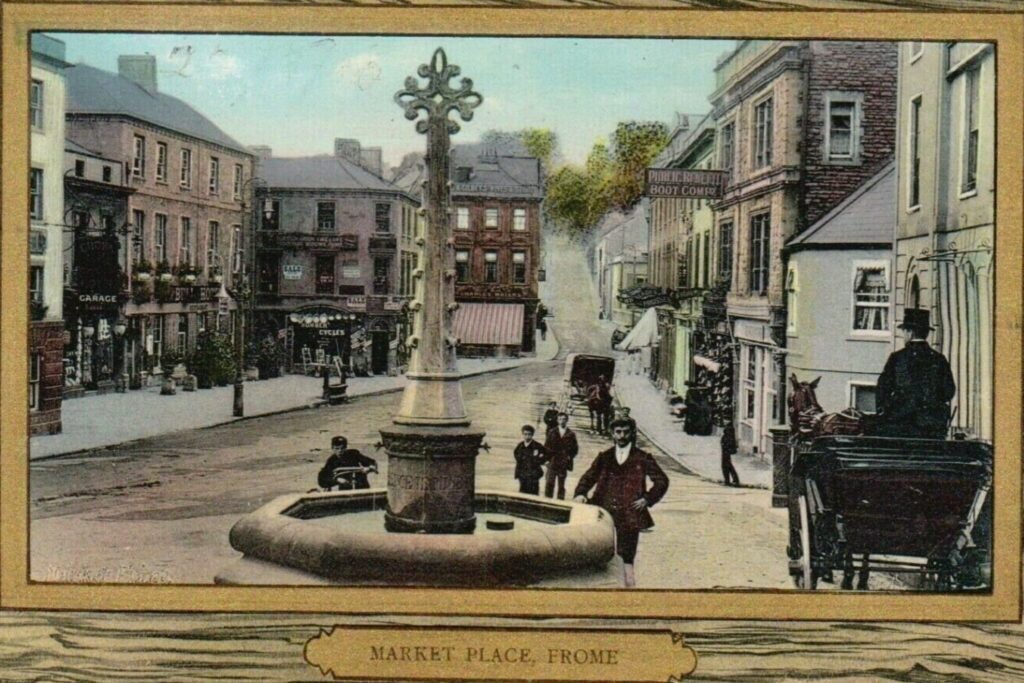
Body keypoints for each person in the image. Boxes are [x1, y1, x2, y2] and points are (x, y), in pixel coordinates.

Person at [574, 417, 669, 588]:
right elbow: (588, 477)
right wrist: (580, 493)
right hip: (605, 510)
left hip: (630, 512)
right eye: (618, 432)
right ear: (612, 433)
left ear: (632, 433)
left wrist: (647, 499)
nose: (622, 436)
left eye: (626, 432)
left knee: (627, 555)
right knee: (601, 550)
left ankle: (629, 589)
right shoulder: (605, 457)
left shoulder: (642, 457)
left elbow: (662, 480)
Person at [874, 308, 956, 440]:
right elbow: (949, 391)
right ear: (926, 334)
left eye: (904, 331)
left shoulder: (897, 358)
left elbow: (882, 390)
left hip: (900, 426)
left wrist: (887, 410)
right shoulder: (939, 359)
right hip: (933, 427)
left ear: (910, 332)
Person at [543, 412, 579, 499]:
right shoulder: (552, 432)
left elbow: (575, 448)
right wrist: (546, 460)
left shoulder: (571, 434)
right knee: (549, 483)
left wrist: (569, 457)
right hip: (552, 461)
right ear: (557, 420)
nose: (562, 421)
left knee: (561, 484)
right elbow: (546, 446)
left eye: (564, 419)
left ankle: (560, 501)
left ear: (567, 420)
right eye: (560, 419)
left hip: (563, 462)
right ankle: (547, 502)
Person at [513, 425, 548, 495]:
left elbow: (545, 455)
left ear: (532, 435)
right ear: (522, 434)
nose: (527, 436)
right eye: (525, 434)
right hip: (522, 473)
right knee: (522, 491)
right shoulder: (520, 446)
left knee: (534, 492)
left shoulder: (537, 446)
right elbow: (516, 455)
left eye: (529, 434)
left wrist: (539, 460)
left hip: (533, 474)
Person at [720, 422, 740, 487]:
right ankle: (731, 480)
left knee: (726, 466)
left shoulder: (729, 430)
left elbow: (729, 441)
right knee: (728, 466)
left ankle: (729, 480)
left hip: (726, 451)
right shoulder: (730, 430)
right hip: (725, 451)